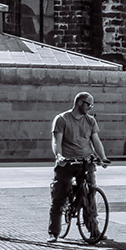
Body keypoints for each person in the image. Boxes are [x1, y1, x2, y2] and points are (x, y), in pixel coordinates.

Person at [48, 92, 108, 242]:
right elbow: (57, 142)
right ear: (80, 102)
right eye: (89, 104)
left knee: (90, 196)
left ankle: (94, 231)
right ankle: (54, 232)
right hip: (67, 162)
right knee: (59, 196)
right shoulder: (62, 119)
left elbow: (96, 141)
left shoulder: (90, 121)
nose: (90, 108)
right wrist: (59, 156)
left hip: (86, 161)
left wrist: (103, 158)